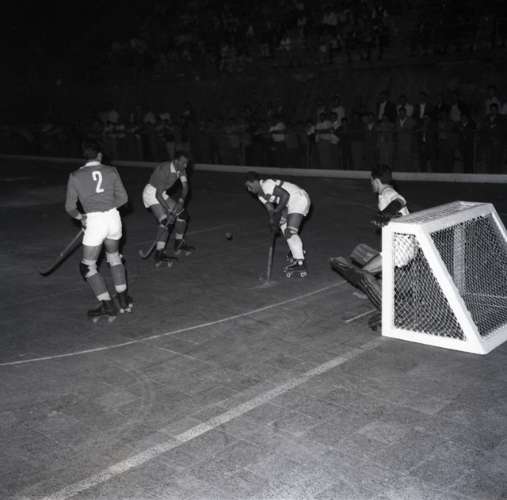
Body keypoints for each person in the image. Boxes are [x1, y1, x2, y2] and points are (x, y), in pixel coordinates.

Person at [330, 164, 412, 329]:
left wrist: (386, 212)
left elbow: (400, 200)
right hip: (403, 244)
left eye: (371, 181)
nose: (371, 184)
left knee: (363, 275)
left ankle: (390, 312)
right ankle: (392, 289)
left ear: (376, 180)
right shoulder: (386, 193)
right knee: (361, 253)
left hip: (400, 248)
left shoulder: (387, 193)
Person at [65, 141, 131, 321]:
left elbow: (70, 207)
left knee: (87, 266)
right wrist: (107, 208)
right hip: (113, 218)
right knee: (114, 256)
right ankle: (123, 300)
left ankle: (107, 305)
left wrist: (82, 218)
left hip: (94, 221)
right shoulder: (111, 171)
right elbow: (123, 198)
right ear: (99, 155)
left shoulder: (75, 176)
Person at [245, 171, 310, 278]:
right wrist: (273, 221)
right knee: (283, 225)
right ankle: (296, 251)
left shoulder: (266, 185)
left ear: (255, 182)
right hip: (289, 204)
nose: (249, 189)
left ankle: (300, 263)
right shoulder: (260, 196)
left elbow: (285, 195)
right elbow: (271, 209)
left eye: (249, 186)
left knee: (290, 231)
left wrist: (277, 212)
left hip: (298, 198)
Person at [141, 151, 194, 265]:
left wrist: (181, 201)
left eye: (187, 163)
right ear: (176, 161)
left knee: (183, 215)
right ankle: (159, 253)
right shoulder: (164, 169)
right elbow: (157, 195)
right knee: (166, 221)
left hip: (162, 193)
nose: (185, 166)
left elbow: (185, 187)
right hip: (151, 193)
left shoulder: (181, 169)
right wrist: (169, 211)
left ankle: (179, 243)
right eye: (183, 163)